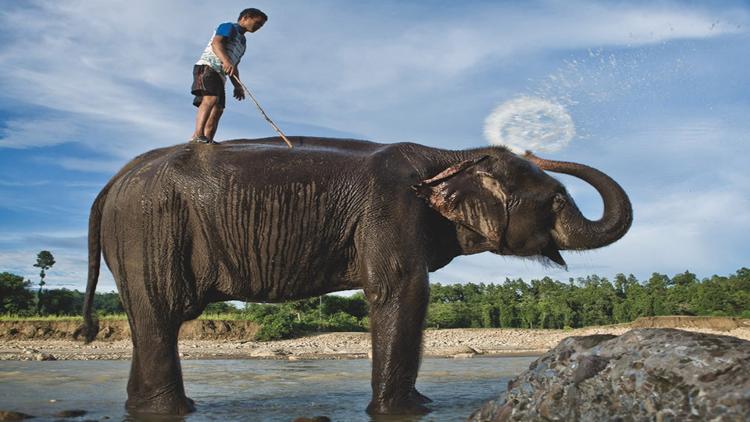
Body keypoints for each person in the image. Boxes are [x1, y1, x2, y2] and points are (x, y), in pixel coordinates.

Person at [190, 8, 267, 144]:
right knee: (211, 98)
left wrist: (237, 86)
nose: (258, 27)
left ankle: (208, 140)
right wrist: (226, 61)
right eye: (257, 23)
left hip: (220, 76)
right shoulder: (229, 27)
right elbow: (216, 43)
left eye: (261, 26)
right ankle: (198, 135)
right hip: (208, 67)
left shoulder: (242, 43)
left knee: (218, 109)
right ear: (246, 17)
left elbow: (234, 65)